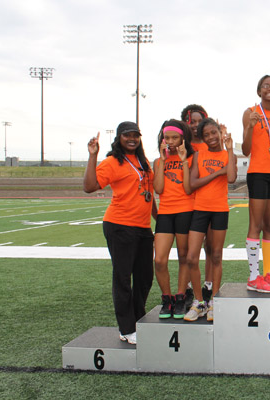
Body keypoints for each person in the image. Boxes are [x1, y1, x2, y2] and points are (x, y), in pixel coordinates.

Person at [83, 122, 157, 345]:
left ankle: (138, 319)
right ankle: (126, 328)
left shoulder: (143, 161)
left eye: (135, 135)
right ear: (119, 138)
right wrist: (92, 156)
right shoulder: (113, 161)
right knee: (123, 278)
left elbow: (149, 193)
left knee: (145, 277)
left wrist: (159, 219)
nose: (132, 139)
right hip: (119, 225)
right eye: (127, 135)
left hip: (143, 227)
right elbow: (89, 186)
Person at [184, 118, 237, 322]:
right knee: (191, 257)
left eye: (213, 133)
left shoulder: (226, 154)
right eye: (206, 135)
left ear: (219, 133)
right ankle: (199, 302)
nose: (210, 137)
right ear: (203, 137)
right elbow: (193, 182)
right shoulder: (199, 155)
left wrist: (230, 151)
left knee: (216, 255)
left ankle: (214, 300)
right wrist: (218, 173)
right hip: (200, 209)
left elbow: (231, 178)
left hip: (219, 210)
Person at [242, 75, 270, 293]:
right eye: (266, 85)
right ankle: (253, 278)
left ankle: (267, 274)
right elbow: (245, 149)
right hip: (257, 173)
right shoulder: (250, 112)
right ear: (259, 90)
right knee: (256, 224)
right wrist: (250, 127)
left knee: (269, 226)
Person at [152, 120, 194, 319]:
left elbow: (187, 188)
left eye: (174, 138)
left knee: (183, 257)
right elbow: (158, 189)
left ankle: (180, 297)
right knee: (159, 260)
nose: (170, 141)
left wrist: (184, 160)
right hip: (166, 213)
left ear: (182, 139)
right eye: (166, 138)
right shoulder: (158, 161)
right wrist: (161, 160)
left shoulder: (191, 158)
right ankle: (166, 298)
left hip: (186, 211)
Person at [181, 104, 213, 308]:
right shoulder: (182, 148)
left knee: (210, 247)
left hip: (208, 204)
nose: (194, 125)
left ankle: (208, 286)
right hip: (185, 205)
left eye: (198, 121)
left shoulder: (211, 145)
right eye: (190, 122)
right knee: (187, 253)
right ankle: (188, 288)